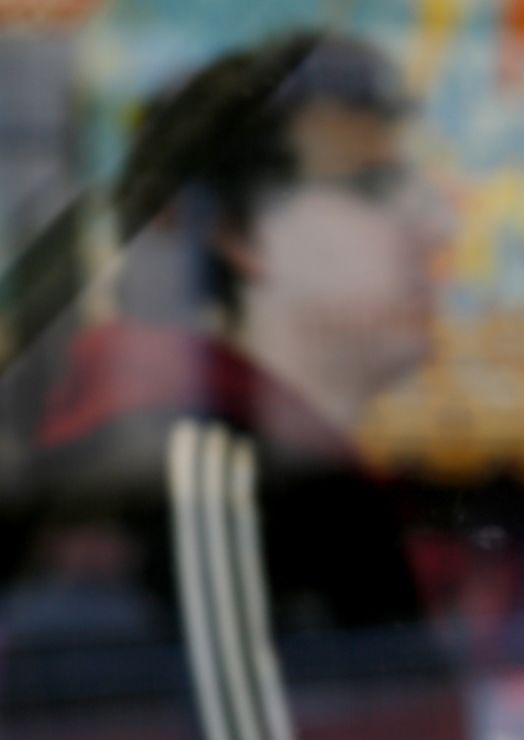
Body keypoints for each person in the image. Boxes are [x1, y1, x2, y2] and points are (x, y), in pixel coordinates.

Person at [0, 32, 456, 736]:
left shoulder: (268, 474)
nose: (435, 224)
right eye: (370, 185)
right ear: (236, 230)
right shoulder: (202, 483)